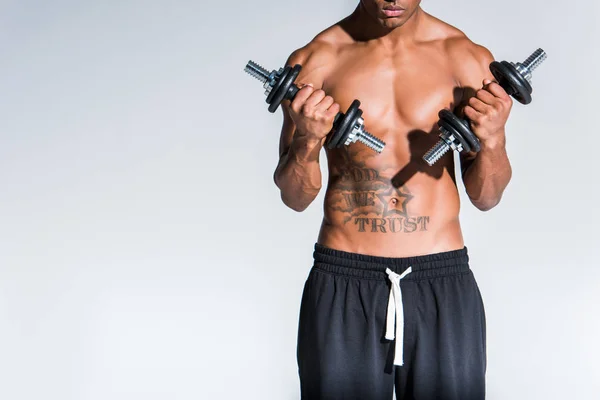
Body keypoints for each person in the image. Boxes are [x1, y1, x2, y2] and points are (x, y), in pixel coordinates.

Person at [273, 1, 513, 399]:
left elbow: (486, 197)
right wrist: (307, 138)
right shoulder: (317, 60)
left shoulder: (466, 58)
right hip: (344, 281)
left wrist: (494, 139)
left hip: (442, 282)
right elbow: (295, 197)